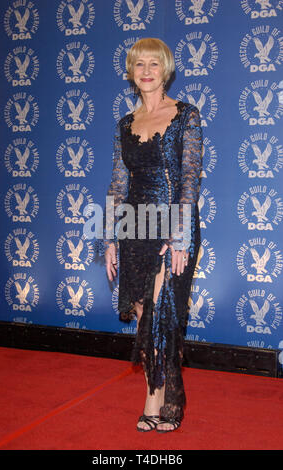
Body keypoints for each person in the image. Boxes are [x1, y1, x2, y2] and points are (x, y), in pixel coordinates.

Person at [103, 38, 202, 433]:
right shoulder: (125, 124)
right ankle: (155, 392)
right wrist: (109, 238)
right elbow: (117, 183)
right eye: (138, 64)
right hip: (134, 227)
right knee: (144, 313)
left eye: (153, 64)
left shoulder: (185, 116)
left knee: (161, 314)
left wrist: (180, 236)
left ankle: (157, 402)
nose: (146, 70)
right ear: (131, 72)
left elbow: (190, 179)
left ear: (166, 70)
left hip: (172, 226)